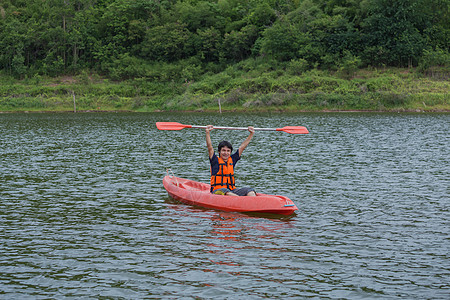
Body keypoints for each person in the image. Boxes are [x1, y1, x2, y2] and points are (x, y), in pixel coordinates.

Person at [206, 124, 257, 196]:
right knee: (227, 192)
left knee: (250, 190)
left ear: (230, 152)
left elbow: (242, 147)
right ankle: (240, 203)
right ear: (219, 151)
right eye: (223, 150)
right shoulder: (215, 161)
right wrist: (207, 132)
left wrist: (251, 134)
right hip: (217, 190)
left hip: (231, 189)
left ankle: (253, 204)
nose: (225, 153)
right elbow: (210, 147)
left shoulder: (232, 160)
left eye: (228, 151)